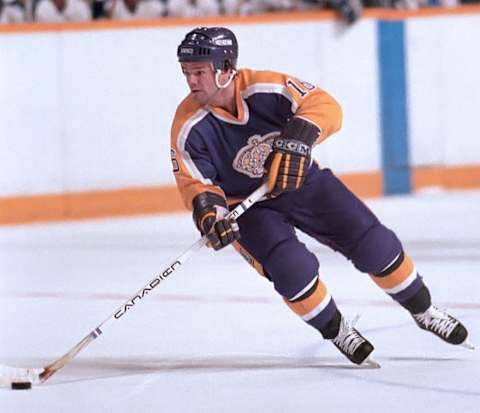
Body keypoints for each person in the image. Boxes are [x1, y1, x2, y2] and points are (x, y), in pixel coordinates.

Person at [170, 26, 473, 366]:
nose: (192, 82)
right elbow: (195, 182)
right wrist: (211, 216)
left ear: (226, 69)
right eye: (187, 74)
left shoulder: (265, 87)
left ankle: (424, 310)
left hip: (301, 182)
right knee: (290, 269)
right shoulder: (187, 125)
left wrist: (300, 135)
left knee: (374, 243)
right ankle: (337, 329)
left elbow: (324, 105)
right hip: (248, 208)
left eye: (199, 72)